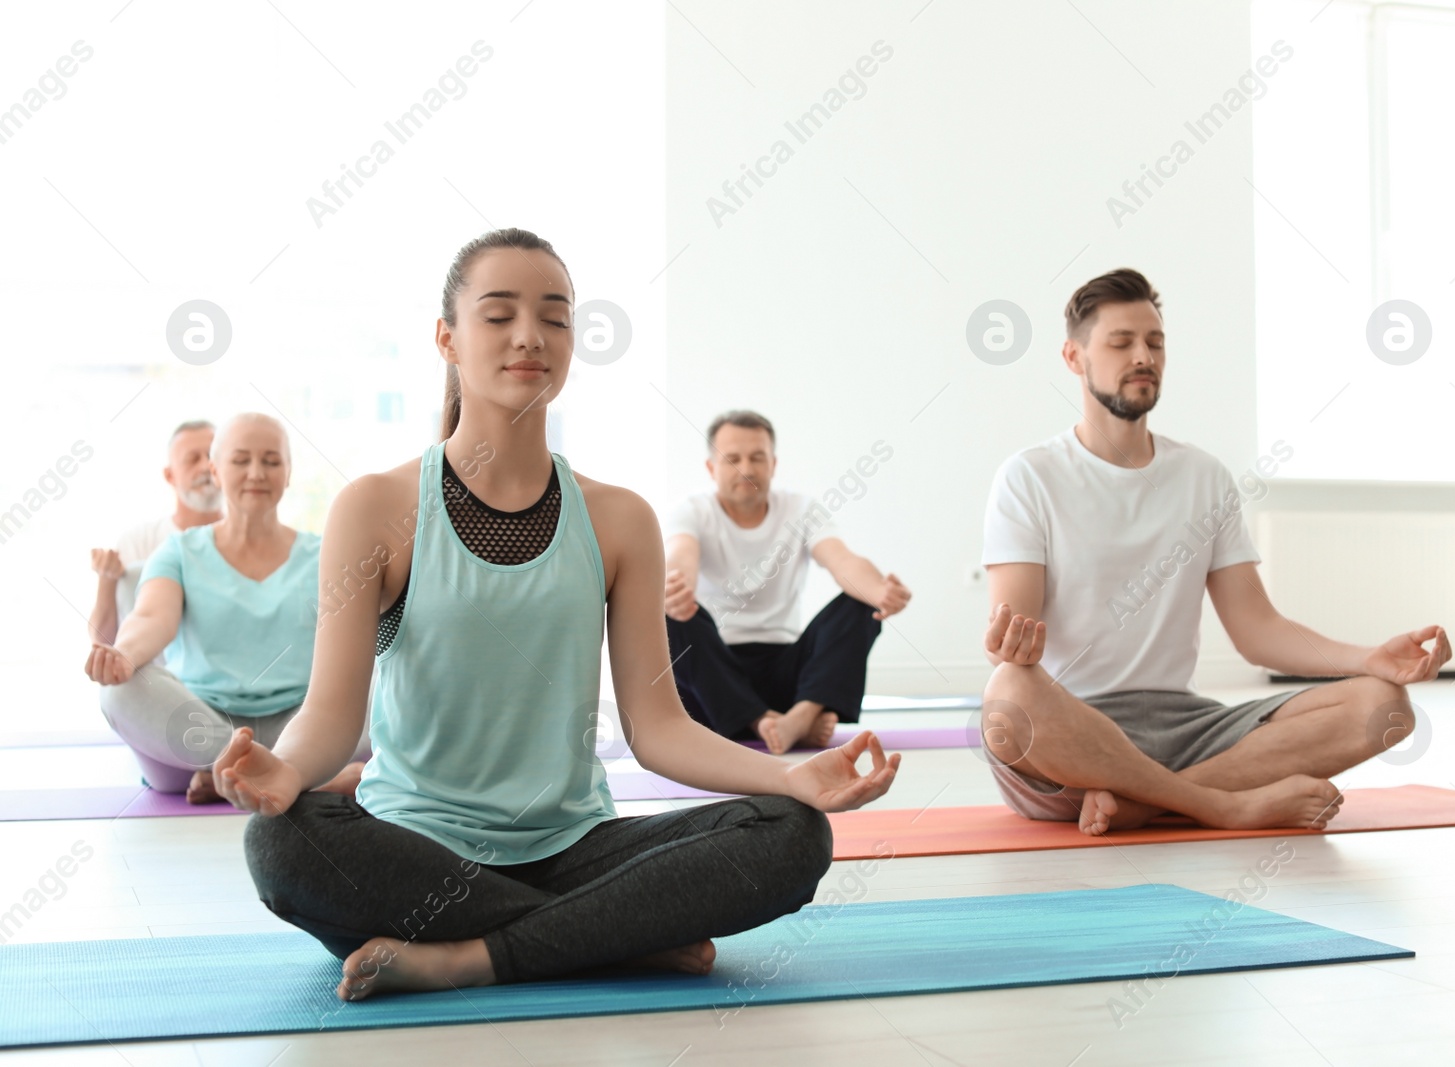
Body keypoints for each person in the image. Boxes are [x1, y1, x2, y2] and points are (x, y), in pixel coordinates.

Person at [213, 228, 901, 1002]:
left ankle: (473, 956)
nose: (530, 337)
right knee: (283, 843)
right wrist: (287, 770)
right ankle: (614, 935)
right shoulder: (376, 506)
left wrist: (792, 773)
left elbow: (659, 729)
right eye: (499, 315)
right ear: (447, 337)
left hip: (575, 844)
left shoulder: (618, 518)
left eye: (554, 316)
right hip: (417, 846)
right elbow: (330, 717)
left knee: (794, 833)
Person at [979, 267, 1452, 836]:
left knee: (1385, 706)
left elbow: (1258, 631)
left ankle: (1147, 803)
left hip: (1184, 727)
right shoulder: (1029, 476)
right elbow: (1015, 643)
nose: (1143, 356)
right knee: (1009, 695)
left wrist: (1367, 658)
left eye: (1155, 342)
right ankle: (1223, 804)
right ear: (1074, 358)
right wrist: (1011, 647)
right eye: (1121, 342)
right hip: (1073, 729)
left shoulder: (1203, 477)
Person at [85, 413, 364, 804]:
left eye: (271, 461)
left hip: (305, 726)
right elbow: (151, 617)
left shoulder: (325, 553)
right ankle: (287, 777)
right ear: (216, 472)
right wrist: (123, 655)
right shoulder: (178, 550)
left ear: (288, 474)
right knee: (119, 692)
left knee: (385, 686)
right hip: (201, 724)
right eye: (240, 461)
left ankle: (241, 776)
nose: (256, 473)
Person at [663, 410, 911, 754]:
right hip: (715, 679)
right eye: (732, 459)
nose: (746, 469)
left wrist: (882, 592)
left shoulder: (801, 509)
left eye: (757, 458)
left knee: (860, 602)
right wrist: (674, 588)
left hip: (788, 677)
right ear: (711, 468)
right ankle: (763, 721)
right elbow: (680, 557)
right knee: (670, 617)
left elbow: (842, 560)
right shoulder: (691, 511)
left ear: (773, 464)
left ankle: (802, 714)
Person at [86, 420, 223, 653]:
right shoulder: (138, 542)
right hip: (156, 680)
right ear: (170, 476)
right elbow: (104, 645)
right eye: (192, 459)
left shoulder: (253, 540)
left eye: (212, 457)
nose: (205, 467)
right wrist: (106, 581)